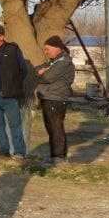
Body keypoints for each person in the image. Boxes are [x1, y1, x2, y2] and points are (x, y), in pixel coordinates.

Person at [0, 24, 30, 159]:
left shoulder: (13, 49)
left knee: (15, 124)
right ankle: (3, 151)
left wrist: (14, 85)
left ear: (1, 36)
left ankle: (20, 152)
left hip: (9, 95)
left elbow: (23, 70)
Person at [34, 35, 76, 167]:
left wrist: (43, 72)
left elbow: (48, 77)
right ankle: (54, 156)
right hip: (48, 97)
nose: (45, 52)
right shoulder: (53, 61)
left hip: (56, 98)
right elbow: (36, 70)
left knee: (56, 128)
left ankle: (59, 157)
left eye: (48, 49)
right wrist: (40, 71)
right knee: (51, 128)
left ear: (58, 48)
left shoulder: (63, 62)